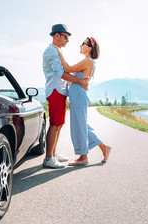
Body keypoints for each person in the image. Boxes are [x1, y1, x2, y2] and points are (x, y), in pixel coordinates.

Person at [55, 37, 111, 166]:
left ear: (89, 47)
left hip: (79, 96)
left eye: (83, 44)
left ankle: (98, 150)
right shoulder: (87, 61)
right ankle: (84, 156)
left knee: (80, 125)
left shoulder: (87, 61)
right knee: (81, 125)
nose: (80, 45)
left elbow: (67, 68)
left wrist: (59, 52)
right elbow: (70, 78)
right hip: (78, 96)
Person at [42, 24, 89, 169]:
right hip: (55, 91)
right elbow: (60, 73)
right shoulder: (51, 51)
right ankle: (48, 158)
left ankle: (53, 153)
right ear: (57, 35)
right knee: (55, 124)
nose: (67, 40)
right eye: (66, 36)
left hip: (61, 91)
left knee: (59, 124)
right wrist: (80, 81)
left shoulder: (57, 51)